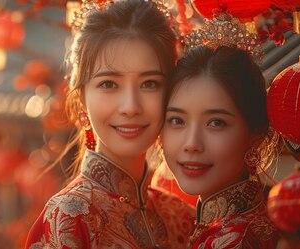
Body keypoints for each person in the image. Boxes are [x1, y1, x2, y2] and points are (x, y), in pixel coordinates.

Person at [25, 0, 195, 248]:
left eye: (149, 83)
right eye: (108, 84)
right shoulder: (71, 217)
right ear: (82, 98)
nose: (131, 106)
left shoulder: (181, 217)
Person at [161, 13, 283, 248]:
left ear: (255, 137)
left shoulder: (232, 240)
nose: (191, 143)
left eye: (215, 123)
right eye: (177, 120)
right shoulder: (244, 225)